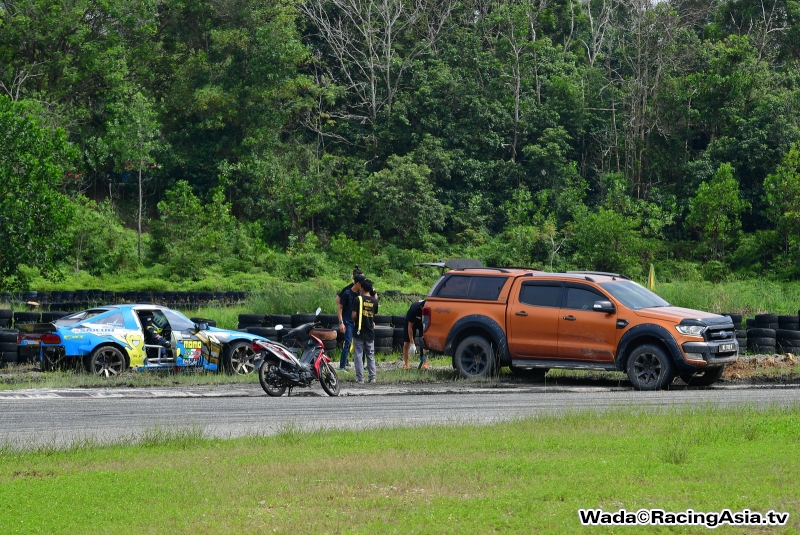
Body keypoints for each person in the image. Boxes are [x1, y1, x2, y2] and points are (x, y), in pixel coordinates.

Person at [335, 267, 364, 370]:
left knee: (361, 343)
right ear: (357, 284)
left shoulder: (361, 294)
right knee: (347, 342)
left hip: (358, 321)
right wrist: (341, 322)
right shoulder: (347, 293)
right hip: (347, 320)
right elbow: (338, 308)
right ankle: (342, 366)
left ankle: (361, 366)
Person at [351, 279, 378, 383]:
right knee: (370, 355)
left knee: (358, 354)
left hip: (359, 330)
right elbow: (373, 315)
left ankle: (360, 378)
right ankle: (372, 377)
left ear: (361, 288)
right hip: (370, 331)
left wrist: (356, 321)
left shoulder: (358, 299)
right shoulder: (375, 301)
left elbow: (353, 315)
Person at [403, 299, 427, 370]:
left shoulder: (429, 310)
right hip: (411, 323)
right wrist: (412, 343)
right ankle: (406, 365)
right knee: (406, 344)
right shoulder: (414, 309)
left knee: (425, 342)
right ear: (421, 307)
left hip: (422, 324)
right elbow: (410, 327)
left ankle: (425, 363)